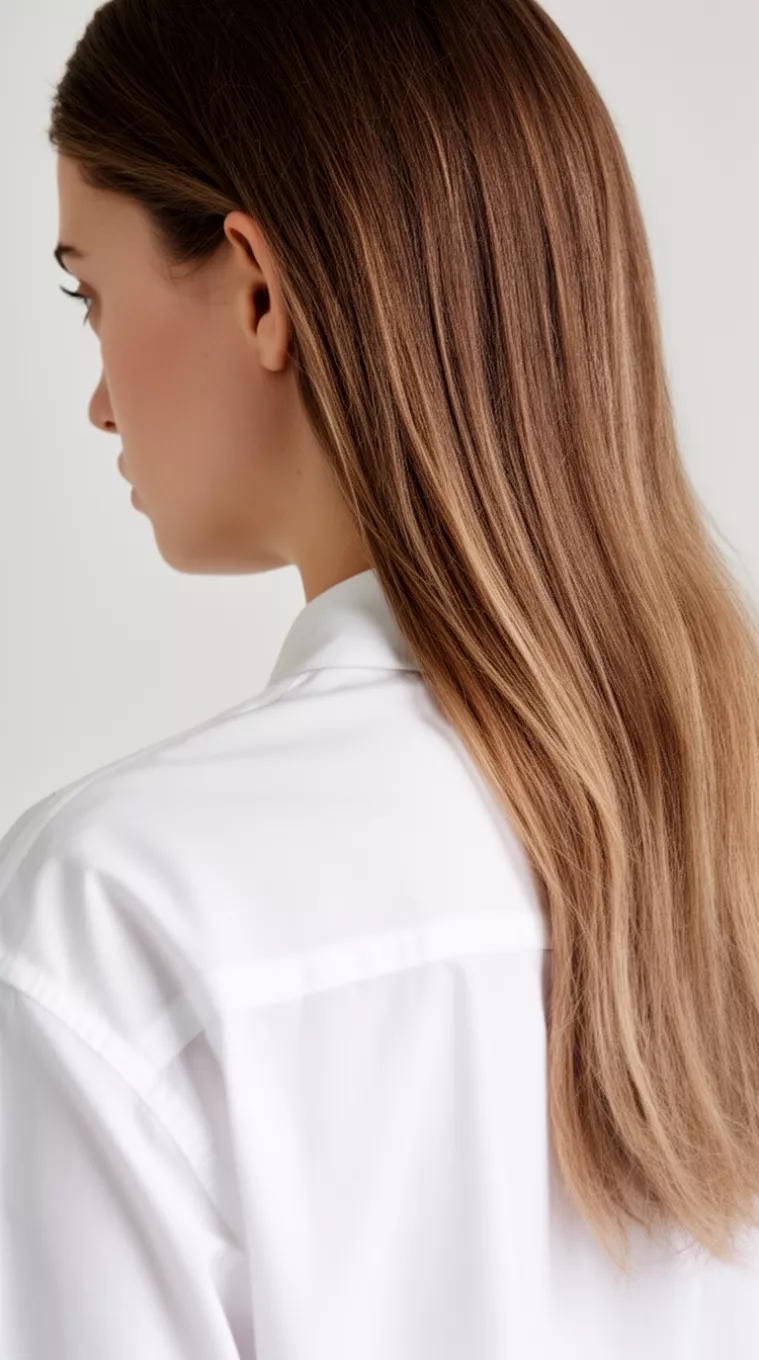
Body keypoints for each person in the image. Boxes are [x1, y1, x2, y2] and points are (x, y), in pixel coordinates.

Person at [2, 1, 759, 1356]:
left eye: (87, 290)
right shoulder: (724, 834)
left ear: (256, 288)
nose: (100, 401)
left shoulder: (117, 908)